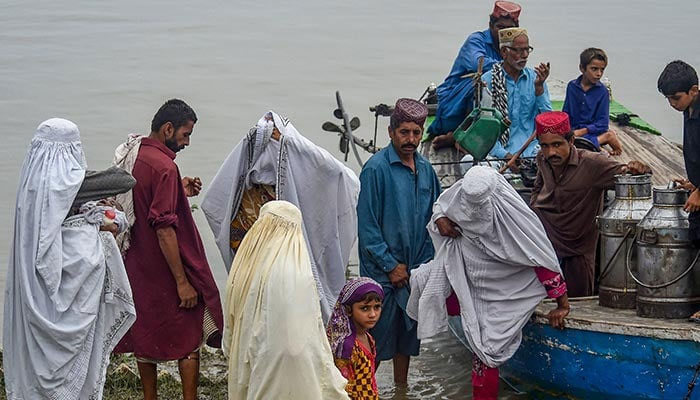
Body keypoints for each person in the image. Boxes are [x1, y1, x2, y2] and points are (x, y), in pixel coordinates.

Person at [407, 166, 570, 400]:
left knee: (487, 350)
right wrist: (441, 218)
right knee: (424, 283)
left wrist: (562, 304)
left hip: (506, 290)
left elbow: (541, 259)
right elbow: (442, 204)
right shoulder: (463, 194)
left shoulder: (515, 219)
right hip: (467, 279)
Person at [4, 118, 137, 400]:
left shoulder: (30, 189)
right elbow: (124, 180)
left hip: (34, 294)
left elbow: (48, 237)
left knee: (36, 361)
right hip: (70, 299)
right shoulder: (69, 186)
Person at [201, 111, 359, 322]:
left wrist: (289, 144)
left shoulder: (295, 181)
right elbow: (216, 208)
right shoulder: (246, 197)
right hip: (262, 283)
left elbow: (339, 175)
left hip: (286, 284)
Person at [114, 99, 224, 400]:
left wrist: (179, 188)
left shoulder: (137, 153)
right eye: (185, 134)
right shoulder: (164, 166)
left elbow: (141, 197)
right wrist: (182, 281)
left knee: (145, 329)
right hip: (165, 266)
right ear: (168, 129)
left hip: (138, 264)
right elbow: (164, 228)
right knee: (190, 336)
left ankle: (150, 396)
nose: (186, 142)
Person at [223, 200, 350, 400]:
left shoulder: (242, 268)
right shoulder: (297, 274)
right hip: (291, 370)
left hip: (249, 360)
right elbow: (305, 338)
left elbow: (230, 326)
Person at [357, 98, 441, 384]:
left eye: (416, 133)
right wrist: (391, 266)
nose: (411, 139)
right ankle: (361, 391)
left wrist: (425, 266)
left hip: (414, 272)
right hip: (382, 274)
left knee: (407, 338)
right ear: (391, 132)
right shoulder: (375, 170)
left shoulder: (427, 170)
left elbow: (435, 218)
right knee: (375, 341)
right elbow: (367, 228)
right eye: (404, 132)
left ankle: (401, 390)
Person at [530, 111, 651, 296]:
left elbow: (633, 174)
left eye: (557, 145)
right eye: (545, 146)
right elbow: (537, 187)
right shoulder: (542, 159)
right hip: (543, 242)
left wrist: (638, 168)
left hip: (577, 249)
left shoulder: (593, 163)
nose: (550, 152)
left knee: (577, 299)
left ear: (571, 141)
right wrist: (533, 213)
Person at [426, 1, 521, 186]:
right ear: (491, 25)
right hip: (456, 100)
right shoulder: (476, 40)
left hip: (487, 104)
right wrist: (511, 62)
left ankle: (489, 136)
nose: (503, 34)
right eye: (500, 28)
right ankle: (461, 136)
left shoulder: (514, 48)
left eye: (508, 30)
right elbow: (479, 65)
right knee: (483, 81)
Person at [657, 60, 700, 322]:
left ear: (694, 89)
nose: (672, 104)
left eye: (676, 97)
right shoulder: (689, 110)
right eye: (668, 99)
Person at [481, 27, 551, 163]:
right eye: (518, 50)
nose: (525, 55)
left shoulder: (535, 79)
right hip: (498, 154)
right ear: (504, 52)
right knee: (471, 164)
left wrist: (539, 89)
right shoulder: (487, 81)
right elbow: (484, 129)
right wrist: (504, 156)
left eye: (527, 49)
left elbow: (547, 121)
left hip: (532, 151)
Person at [327, 277, 385, 400]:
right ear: (348, 310)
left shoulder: (368, 337)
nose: (372, 314)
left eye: (377, 307)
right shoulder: (347, 348)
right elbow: (345, 389)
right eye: (365, 308)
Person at [563, 48, 623, 155]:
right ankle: (599, 142)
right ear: (582, 68)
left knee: (581, 144)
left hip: (591, 131)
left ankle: (607, 137)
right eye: (594, 69)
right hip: (573, 130)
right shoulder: (572, 87)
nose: (599, 74)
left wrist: (582, 131)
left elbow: (603, 123)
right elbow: (566, 112)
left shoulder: (603, 92)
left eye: (602, 70)